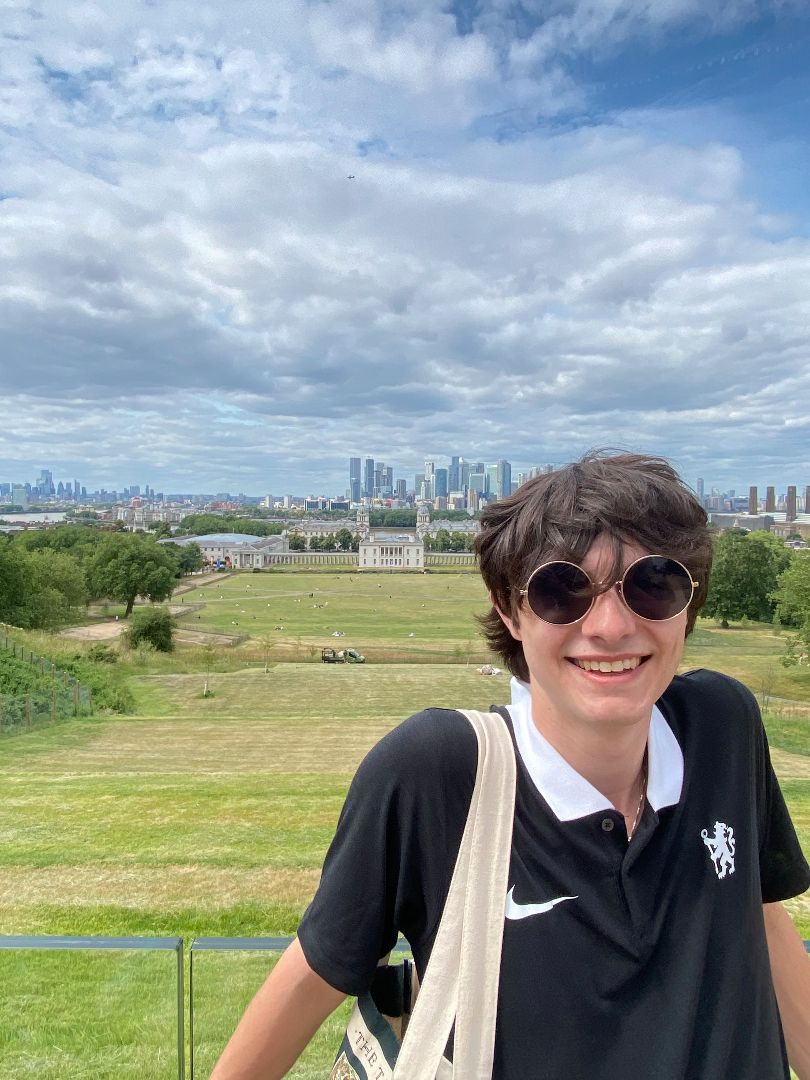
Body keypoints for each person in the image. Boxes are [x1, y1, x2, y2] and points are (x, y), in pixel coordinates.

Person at [211, 452, 810, 1080]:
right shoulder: (437, 772)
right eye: (563, 591)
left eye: (652, 585)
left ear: (690, 603)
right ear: (508, 609)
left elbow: (757, 915)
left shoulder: (724, 726)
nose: (609, 626)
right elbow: (310, 981)